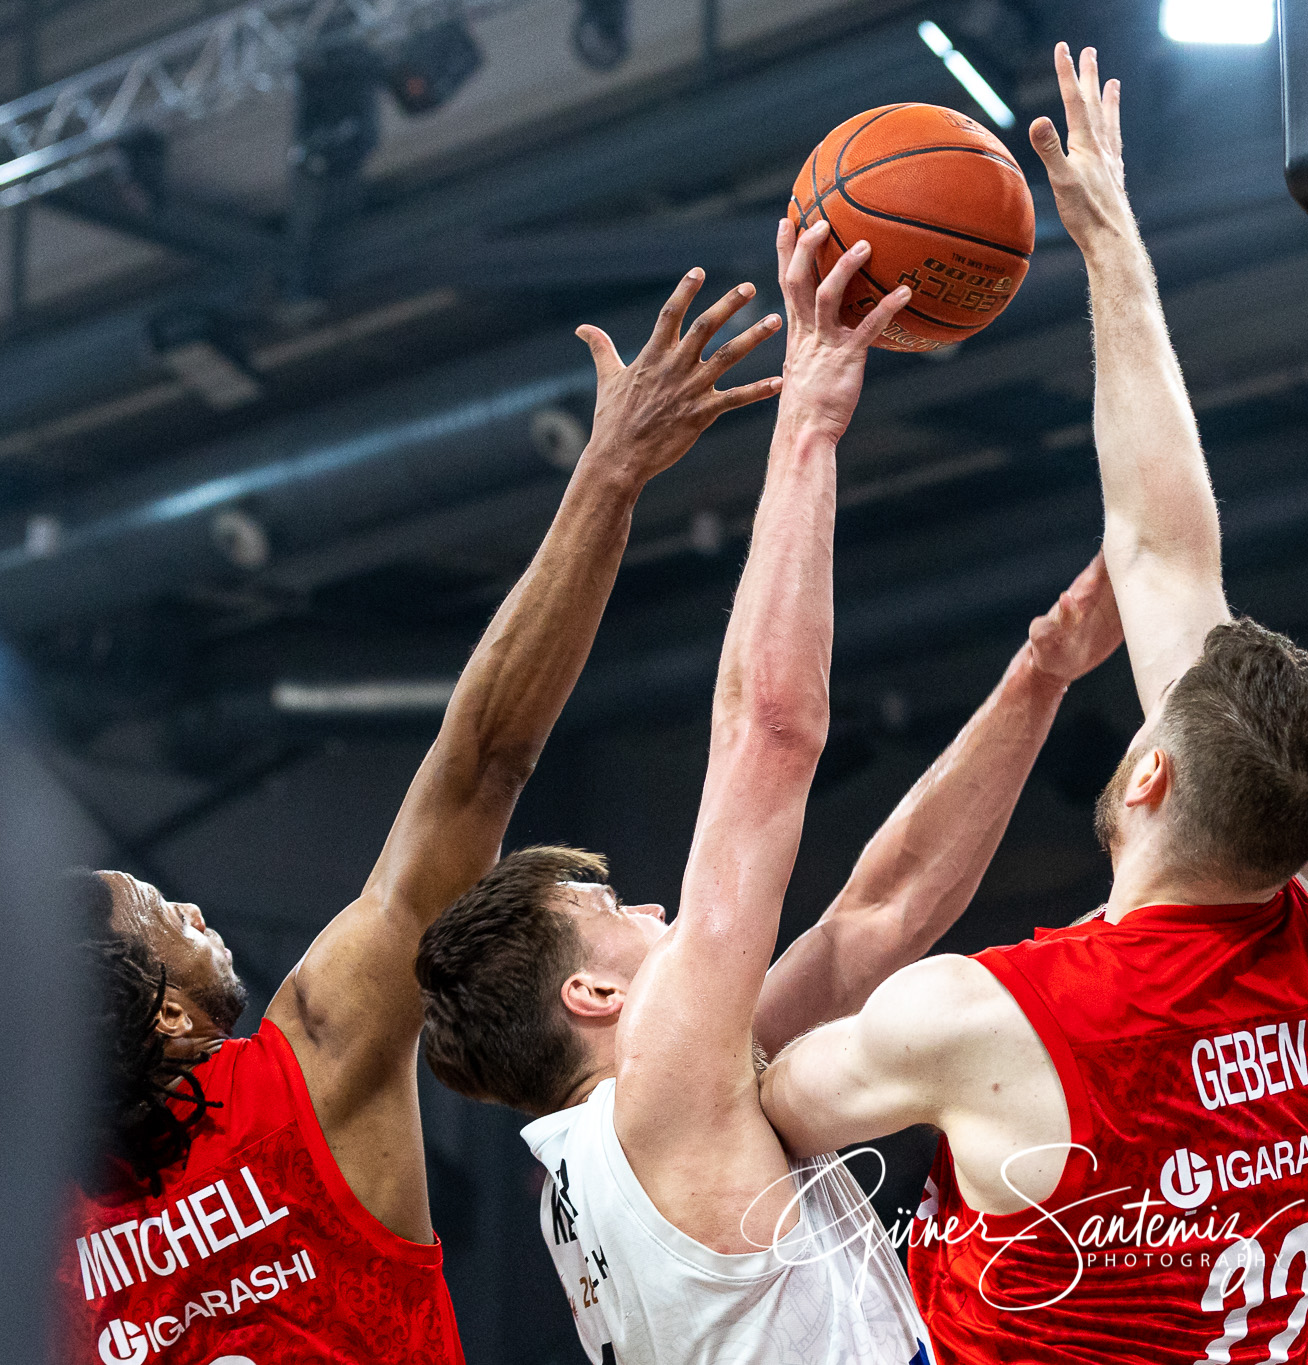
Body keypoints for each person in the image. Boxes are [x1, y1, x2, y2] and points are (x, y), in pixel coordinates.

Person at [411, 219, 1125, 1364]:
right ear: (592, 994)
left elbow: (877, 917)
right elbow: (768, 737)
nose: (651, 910)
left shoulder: (648, 1125)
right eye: (616, 912)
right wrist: (813, 409)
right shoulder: (656, 1100)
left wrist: (1037, 676)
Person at [759, 43, 1308, 1364]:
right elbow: (1165, 556)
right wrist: (1105, 239)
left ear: (1150, 777)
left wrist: (1108, 236)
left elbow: (744, 1098)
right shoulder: (1302, 934)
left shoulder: (986, 1016)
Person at [60, 267, 786, 1361]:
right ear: (162, 1015)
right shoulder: (311, 1059)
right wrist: (611, 474)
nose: (198, 904)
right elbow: (482, 763)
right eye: (166, 912)